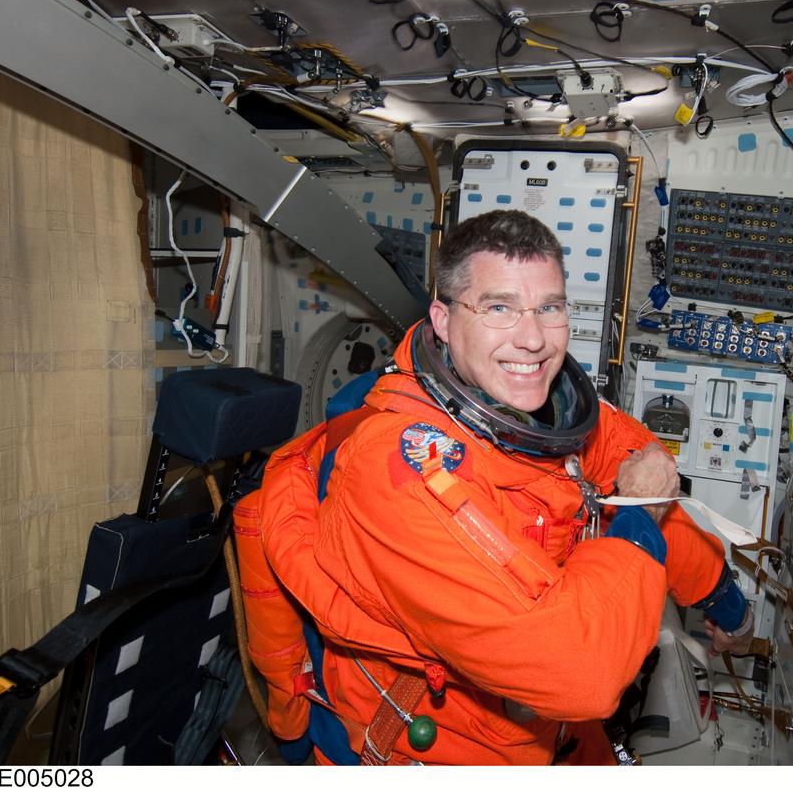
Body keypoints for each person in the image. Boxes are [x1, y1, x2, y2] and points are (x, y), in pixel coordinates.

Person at [255, 210, 751, 765]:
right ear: (443, 320)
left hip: (544, 729)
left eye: (550, 308)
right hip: (444, 746)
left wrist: (727, 606)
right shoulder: (401, 472)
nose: (533, 339)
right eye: (499, 308)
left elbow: (645, 474)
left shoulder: (555, 416)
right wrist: (637, 514)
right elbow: (577, 671)